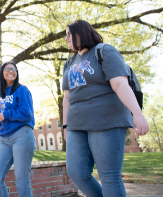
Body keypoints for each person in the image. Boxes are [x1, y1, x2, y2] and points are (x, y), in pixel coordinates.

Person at [62, 20, 149, 197]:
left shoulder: (104, 51)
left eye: (69, 34)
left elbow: (120, 85)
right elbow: (67, 97)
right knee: (77, 173)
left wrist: (137, 114)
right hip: (76, 125)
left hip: (107, 121)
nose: (66, 39)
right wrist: (65, 126)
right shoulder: (69, 62)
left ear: (81, 33)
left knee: (109, 176)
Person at [0, 61, 36, 197]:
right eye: (7, 69)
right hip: (4, 139)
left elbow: (27, 113)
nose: (11, 71)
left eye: (14, 69)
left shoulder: (22, 90)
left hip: (22, 135)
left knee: (22, 180)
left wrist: (6, 114)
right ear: (2, 73)